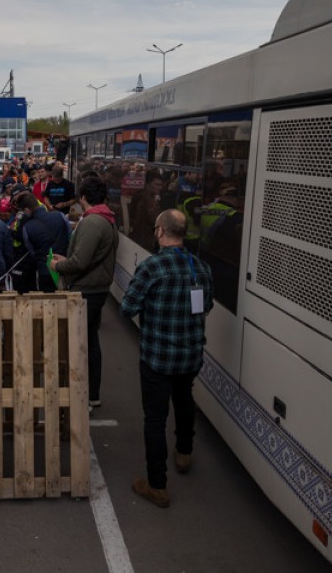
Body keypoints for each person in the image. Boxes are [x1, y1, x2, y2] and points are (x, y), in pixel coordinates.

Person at [120, 209, 214, 508]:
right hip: (190, 354)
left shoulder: (151, 267)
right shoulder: (200, 267)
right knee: (185, 399)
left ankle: (157, 485)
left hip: (158, 358)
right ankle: (184, 453)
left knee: (155, 418)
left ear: (160, 231)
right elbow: (206, 305)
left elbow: (127, 308)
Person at [50, 176, 118, 409]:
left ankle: (83, 396)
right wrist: (68, 259)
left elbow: (80, 261)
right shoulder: (106, 218)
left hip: (86, 290)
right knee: (89, 342)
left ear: (83, 198)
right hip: (96, 288)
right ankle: (92, 395)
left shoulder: (92, 222)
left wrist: (58, 265)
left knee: (79, 344)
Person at [13, 191, 69, 292]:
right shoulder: (60, 216)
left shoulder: (27, 228)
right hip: (65, 267)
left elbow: (32, 252)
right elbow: (70, 236)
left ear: (26, 210)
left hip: (45, 271)